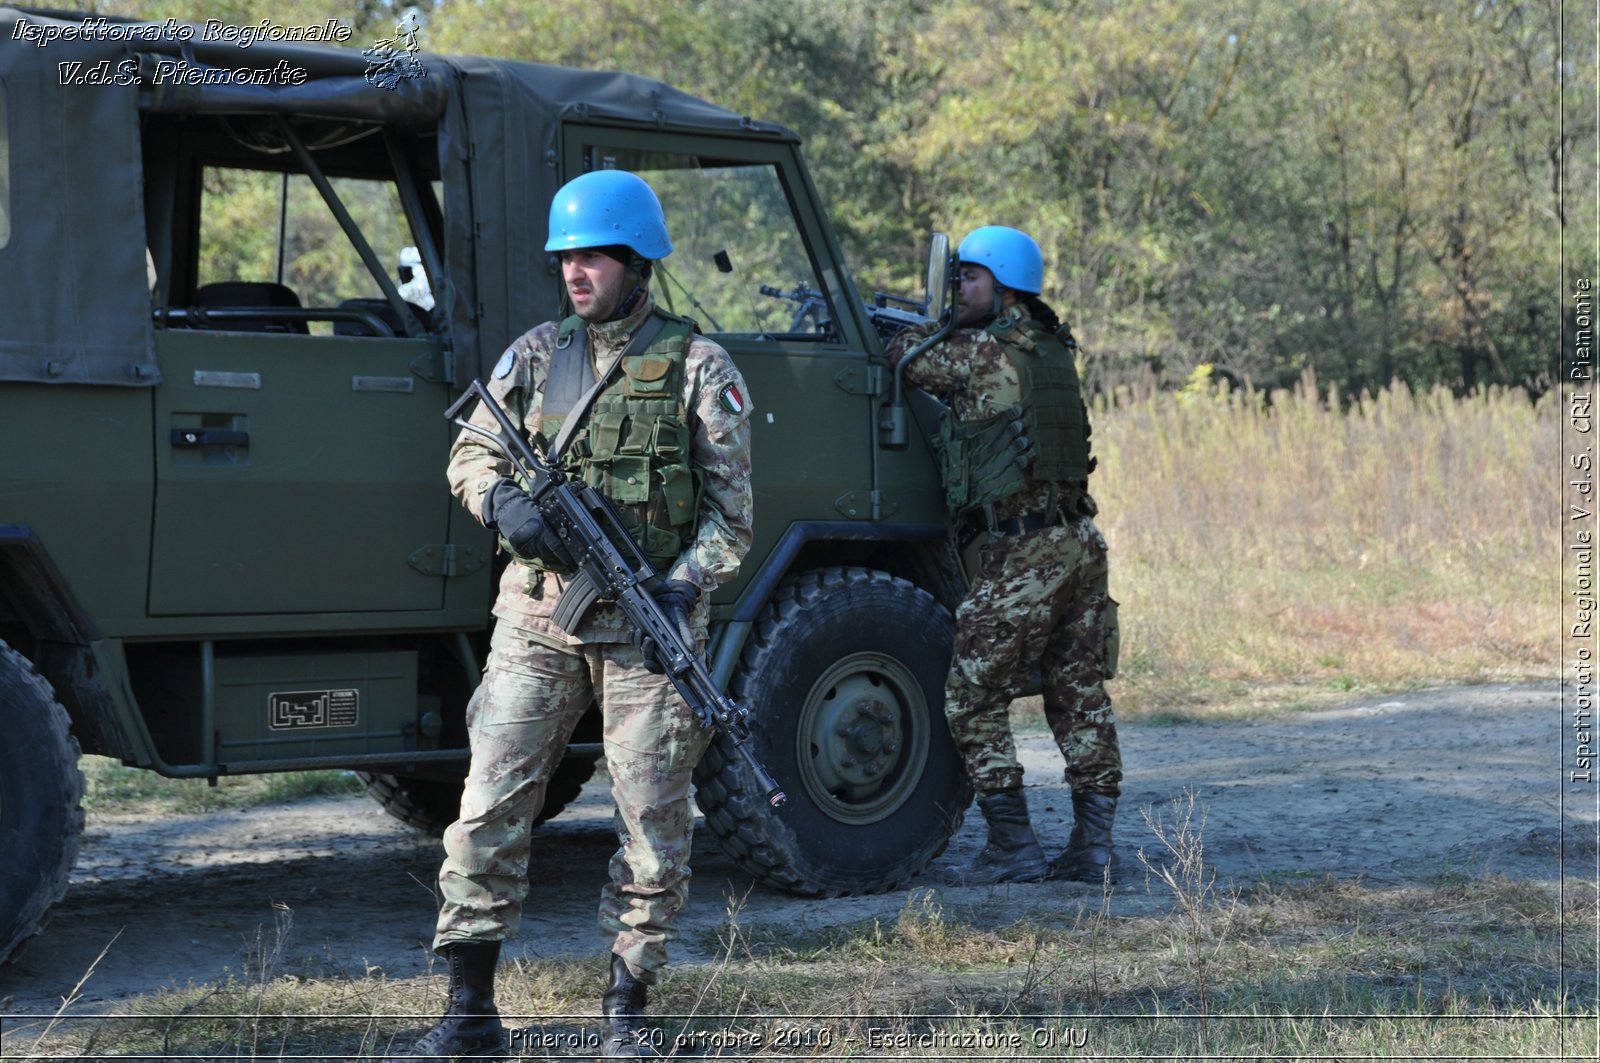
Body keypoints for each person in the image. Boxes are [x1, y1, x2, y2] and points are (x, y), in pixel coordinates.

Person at [392, 170, 754, 1060]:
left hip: (648, 625)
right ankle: (470, 1010)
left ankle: (627, 1012)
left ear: (637, 261)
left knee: (653, 821)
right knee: (488, 805)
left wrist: (684, 580)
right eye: (566, 258)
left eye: (591, 256)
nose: (575, 272)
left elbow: (731, 517)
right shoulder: (533, 354)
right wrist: (498, 505)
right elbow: (471, 453)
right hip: (537, 618)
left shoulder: (701, 368)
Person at [885, 225, 1121, 886]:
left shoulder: (980, 355)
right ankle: (1094, 847)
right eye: (957, 276)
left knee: (969, 693)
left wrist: (910, 322)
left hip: (1024, 551)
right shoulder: (1051, 351)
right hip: (1079, 543)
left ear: (1005, 286)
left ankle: (1013, 843)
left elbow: (905, 357)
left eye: (971, 277)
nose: (960, 287)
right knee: (1079, 695)